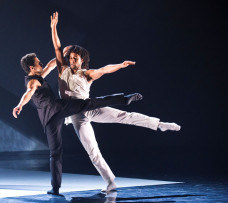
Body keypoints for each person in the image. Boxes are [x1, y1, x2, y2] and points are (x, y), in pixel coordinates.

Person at [50, 12, 181, 192]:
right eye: (71, 58)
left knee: (124, 116)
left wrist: (120, 65)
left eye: (76, 59)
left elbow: (104, 69)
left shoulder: (86, 74)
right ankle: (110, 181)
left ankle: (160, 124)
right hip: (76, 117)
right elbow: (57, 47)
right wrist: (53, 27)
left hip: (90, 107)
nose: (72, 61)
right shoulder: (61, 70)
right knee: (92, 151)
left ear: (81, 61)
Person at [12, 52, 142, 195]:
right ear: (32, 67)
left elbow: (50, 65)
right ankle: (124, 99)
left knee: (55, 153)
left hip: (48, 119)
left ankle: (55, 188)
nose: (41, 64)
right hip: (58, 108)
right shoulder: (32, 81)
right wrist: (20, 105)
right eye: (38, 63)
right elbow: (29, 92)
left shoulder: (38, 76)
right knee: (88, 104)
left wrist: (62, 54)